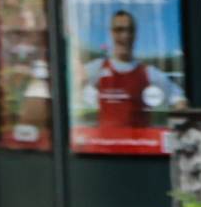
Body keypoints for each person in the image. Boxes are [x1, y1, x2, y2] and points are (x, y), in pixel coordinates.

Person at [76, 8, 185, 153]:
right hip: (105, 152)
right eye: (119, 30)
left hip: (139, 152)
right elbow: (71, 85)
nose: (124, 35)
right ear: (111, 34)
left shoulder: (149, 73)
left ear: (135, 35)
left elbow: (179, 100)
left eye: (129, 30)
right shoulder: (98, 68)